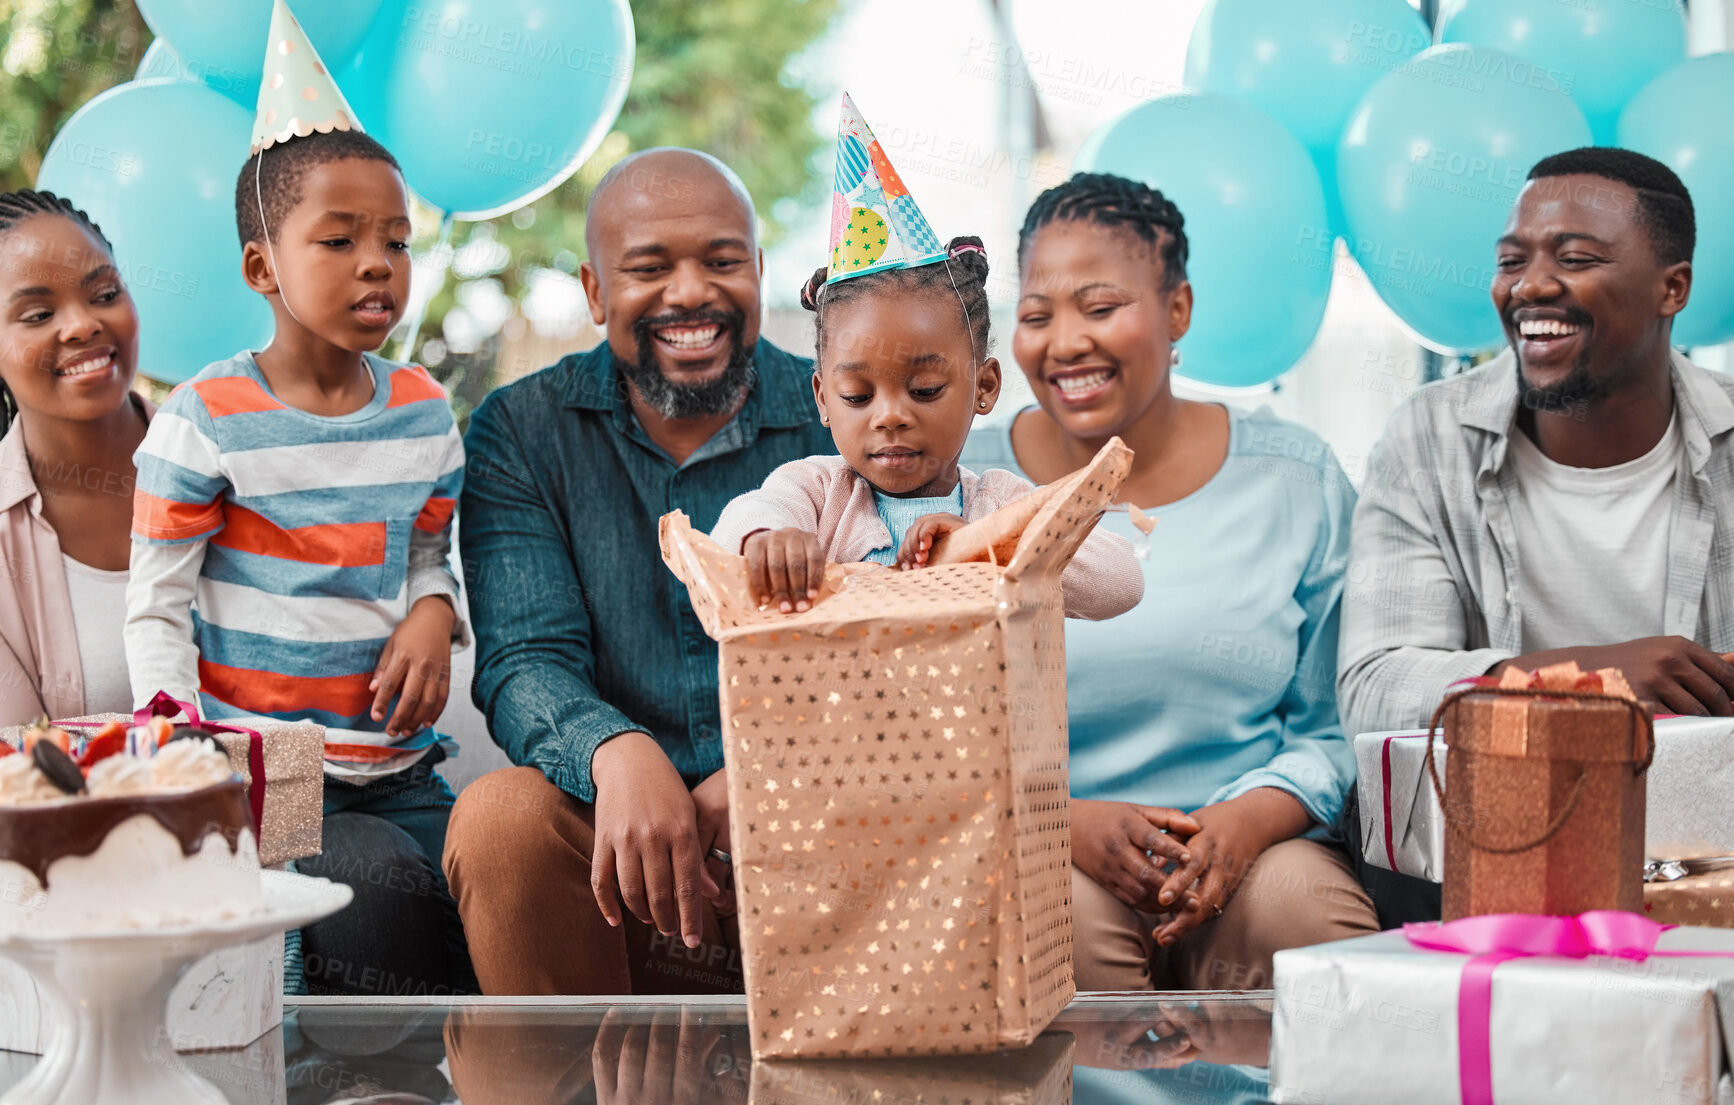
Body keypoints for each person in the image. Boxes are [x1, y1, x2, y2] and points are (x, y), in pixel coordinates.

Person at [961, 172, 1377, 991]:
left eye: (1101, 306)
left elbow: (1339, 722)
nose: (1065, 341)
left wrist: (1245, 822)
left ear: (1177, 310)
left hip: (1255, 842)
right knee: (1061, 931)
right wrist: (1057, 822)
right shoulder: (963, 492)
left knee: (1308, 917)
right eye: (1037, 316)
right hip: (1036, 840)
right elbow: (914, 729)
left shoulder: (1296, 480)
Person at [125, 42, 473, 996]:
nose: (377, 265)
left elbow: (428, 553)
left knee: (470, 932)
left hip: (403, 765)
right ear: (260, 265)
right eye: (339, 239)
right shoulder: (205, 415)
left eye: (396, 242)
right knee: (371, 912)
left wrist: (435, 612)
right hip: (271, 771)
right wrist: (181, 736)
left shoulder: (423, 409)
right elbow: (157, 602)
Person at [444, 148, 835, 995]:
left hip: (811, 827)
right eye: (649, 268)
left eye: (722, 261)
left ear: (760, 271)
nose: (690, 292)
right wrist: (616, 752)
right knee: (500, 819)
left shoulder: (845, 412)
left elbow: (898, 657)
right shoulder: (521, 430)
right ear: (593, 292)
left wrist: (774, 759)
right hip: (611, 861)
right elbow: (523, 660)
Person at [1338, 147, 1734, 736]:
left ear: (1671, 290)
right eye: (1510, 261)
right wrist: (1587, 679)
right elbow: (1377, 690)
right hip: (1499, 820)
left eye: (1574, 258)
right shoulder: (1427, 437)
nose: (1530, 285)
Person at [709, 235, 1140, 617]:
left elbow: (1121, 581)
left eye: (926, 390)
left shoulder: (999, 504)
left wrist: (984, 546)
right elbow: (739, 525)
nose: (890, 416)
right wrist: (767, 539)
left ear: (983, 387)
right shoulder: (816, 492)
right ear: (823, 398)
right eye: (858, 396)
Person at [0, 191, 146, 726]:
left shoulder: (231, 457)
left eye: (104, 293)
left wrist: (430, 598)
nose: (83, 324)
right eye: (38, 313)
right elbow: (19, 771)